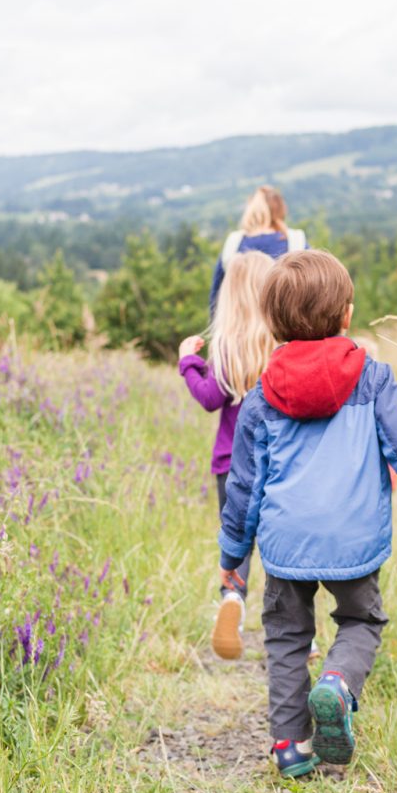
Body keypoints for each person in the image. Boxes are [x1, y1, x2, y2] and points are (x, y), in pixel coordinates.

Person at [217, 250, 397, 778]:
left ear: (272, 325)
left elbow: (244, 489)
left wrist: (233, 556)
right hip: (353, 539)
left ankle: (290, 748)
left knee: (286, 636)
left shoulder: (260, 398)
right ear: (346, 315)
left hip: (285, 541)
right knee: (361, 619)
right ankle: (338, 684)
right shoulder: (372, 378)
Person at [177, 252, 278, 660]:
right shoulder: (281, 346)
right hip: (279, 464)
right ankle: (297, 634)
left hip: (231, 467)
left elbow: (208, 398)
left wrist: (189, 362)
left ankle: (232, 601)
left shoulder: (227, 350)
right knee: (280, 549)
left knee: (238, 542)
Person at [209, 185, 306, 317]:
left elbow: (217, 296)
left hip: (241, 329)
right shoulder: (295, 242)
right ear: (281, 209)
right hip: (285, 328)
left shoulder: (233, 244)